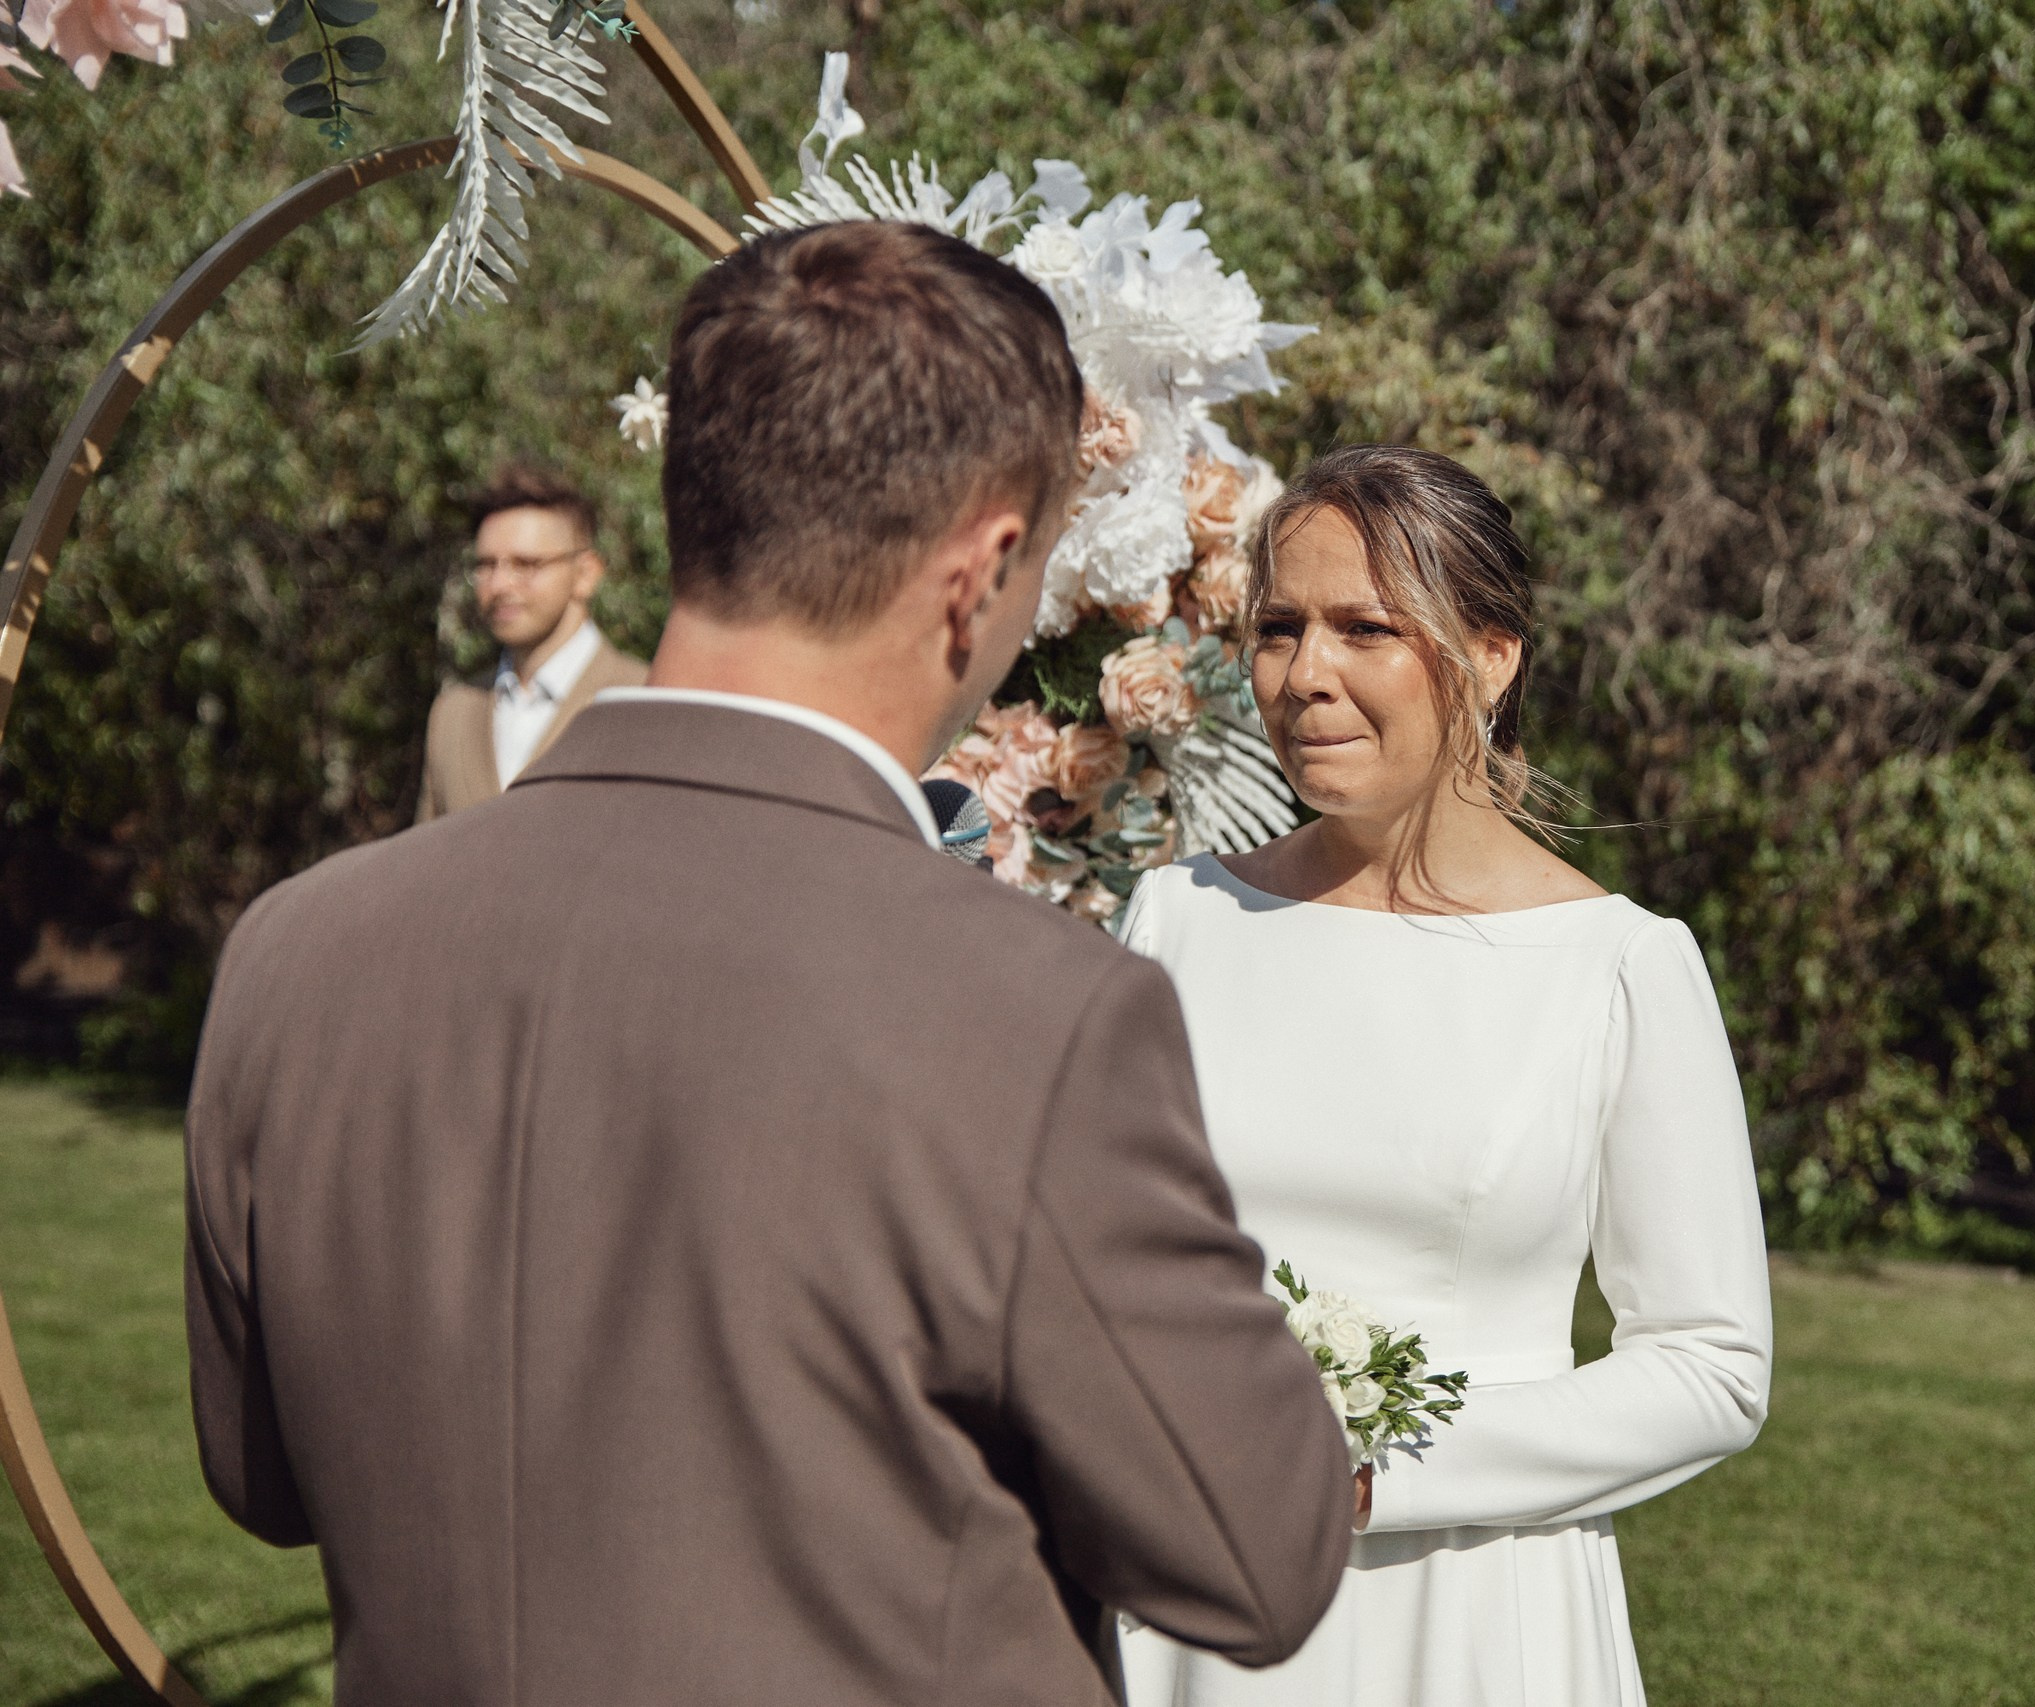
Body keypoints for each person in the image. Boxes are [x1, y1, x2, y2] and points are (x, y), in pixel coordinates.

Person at [184, 221, 1354, 1707]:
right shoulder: (1031, 1015)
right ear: (986, 567)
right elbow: (1258, 1555)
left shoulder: (296, 949)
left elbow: (261, 1474)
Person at [1116, 446, 1773, 1707]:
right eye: (1278, 628)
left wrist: (1369, 1477)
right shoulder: (1175, 920)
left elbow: (1710, 1366)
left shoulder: (1616, 967)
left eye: (1365, 628)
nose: (1305, 674)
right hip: (1183, 1596)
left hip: (1472, 1607)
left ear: (1490, 655)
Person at [414, 464, 649, 822]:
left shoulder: (643, 699)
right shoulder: (453, 714)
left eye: (526, 564)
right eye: (486, 565)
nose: (500, 585)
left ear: (585, 574)